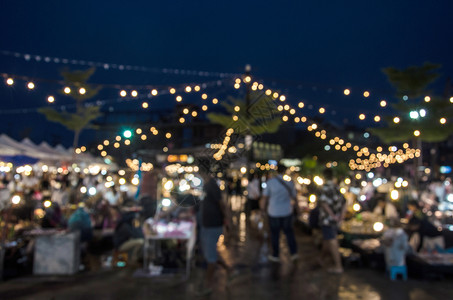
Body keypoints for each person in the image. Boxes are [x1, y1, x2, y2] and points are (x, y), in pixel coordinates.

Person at [197, 163, 230, 295]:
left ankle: (207, 285)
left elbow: (222, 204)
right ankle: (230, 270)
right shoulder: (206, 185)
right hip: (207, 225)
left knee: (210, 258)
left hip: (213, 225)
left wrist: (228, 222)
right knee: (210, 254)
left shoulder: (212, 185)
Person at [261, 164, 298, 263]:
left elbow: (264, 198)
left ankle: (275, 255)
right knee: (289, 233)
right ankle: (293, 253)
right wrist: (298, 209)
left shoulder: (270, 182)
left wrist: (262, 210)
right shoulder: (290, 183)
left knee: (275, 234)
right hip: (287, 211)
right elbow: (295, 197)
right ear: (285, 170)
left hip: (273, 212)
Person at [318, 168, 346, 274]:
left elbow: (324, 203)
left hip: (327, 220)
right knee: (327, 239)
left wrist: (332, 215)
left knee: (332, 240)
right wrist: (341, 216)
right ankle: (321, 259)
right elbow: (345, 202)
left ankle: (338, 266)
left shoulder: (325, 188)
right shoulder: (336, 187)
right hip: (335, 219)